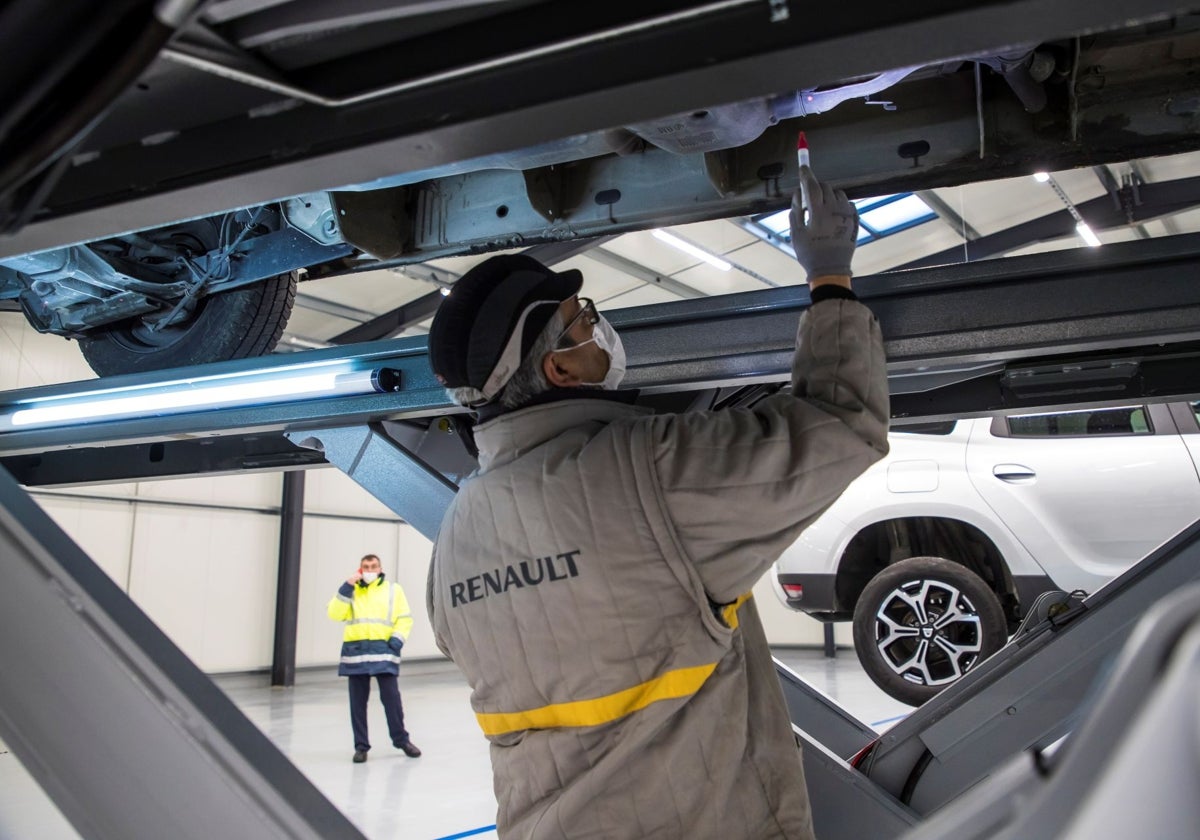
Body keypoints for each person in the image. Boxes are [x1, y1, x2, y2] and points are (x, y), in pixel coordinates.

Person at [425, 168, 889, 839]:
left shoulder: (452, 544)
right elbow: (840, 425)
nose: (596, 325)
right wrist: (830, 281)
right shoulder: (648, 472)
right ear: (558, 368)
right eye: (581, 321)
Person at [327, 553, 421, 763]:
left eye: (374, 566)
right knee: (357, 705)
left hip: (384, 653)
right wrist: (346, 586)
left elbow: (404, 618)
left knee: (392, 701)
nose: (370, 570)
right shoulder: (351, 591)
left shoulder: (393, 590)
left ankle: (401, 740)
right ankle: (361, 747)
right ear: (360, 570)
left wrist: (395, 643)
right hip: (356, 655)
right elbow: (334, 614)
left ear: (380, 569)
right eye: (366, 566)